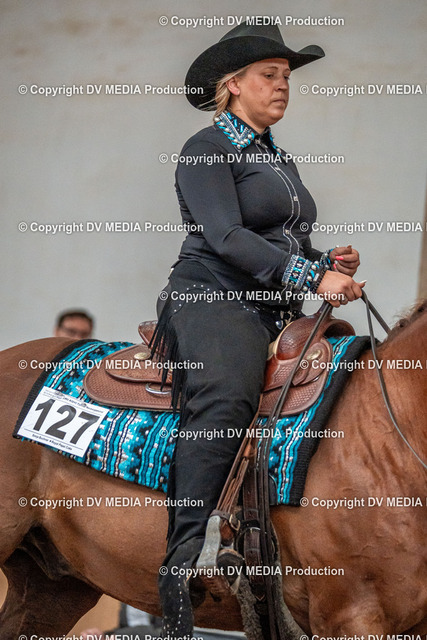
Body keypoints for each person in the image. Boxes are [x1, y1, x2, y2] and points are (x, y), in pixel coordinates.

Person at [152, 22, 364, 639]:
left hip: (273, 305)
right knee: (227, 395)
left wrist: (327, 262)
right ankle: (182, 566)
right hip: (212, 297)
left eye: (286, 76)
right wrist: (312, 275)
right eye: (269, 75)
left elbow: (280, 239)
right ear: (233, 84)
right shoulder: (205, 147)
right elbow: (226, 237)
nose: (282, 85)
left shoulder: (276, 156)